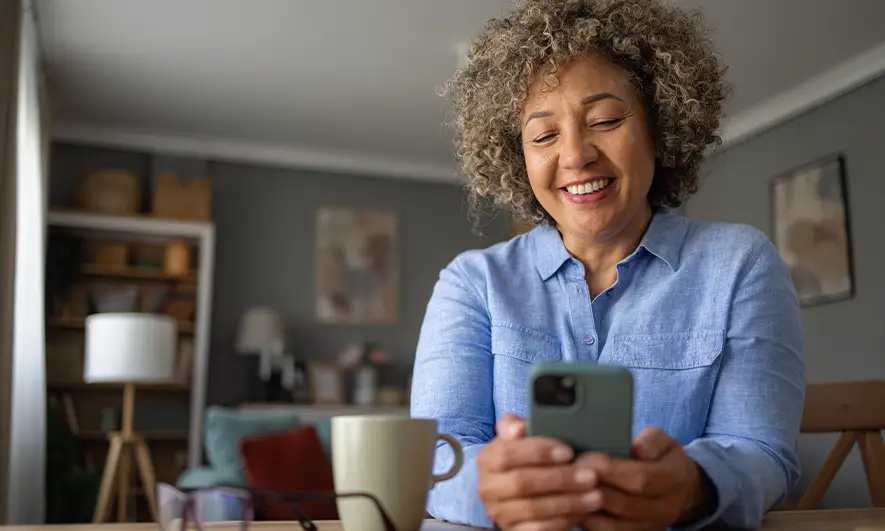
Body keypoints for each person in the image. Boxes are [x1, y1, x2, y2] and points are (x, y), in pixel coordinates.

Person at [410, 1, 805, 530]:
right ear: (518, 158)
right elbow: (437, 458)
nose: (575, 156)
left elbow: (761, 450)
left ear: (660, 127)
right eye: (543, 135)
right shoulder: (473, 283)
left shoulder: (740, 266)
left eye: (605, 120)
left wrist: (692, 487)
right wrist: (488, 487)